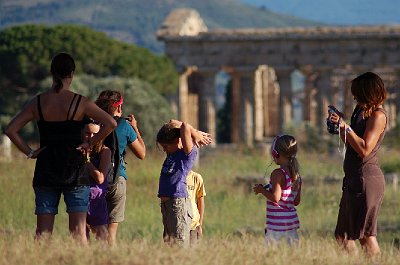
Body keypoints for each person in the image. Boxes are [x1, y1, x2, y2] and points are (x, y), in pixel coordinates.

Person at [4, 52, 116, 243]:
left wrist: (29, 152)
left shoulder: (37, 102)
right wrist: (90, 142)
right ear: (71, 74)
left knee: (43, 233)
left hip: (46, 169)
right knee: (79, 233)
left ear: (51, 73)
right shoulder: (80, 102)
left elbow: (11, 129)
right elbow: (111, 123)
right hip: (75, 170)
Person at [328, 72, 387, 256]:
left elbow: (364, 149)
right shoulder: (361, 112)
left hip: (366, 180)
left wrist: (346, 127)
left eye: (357, 94)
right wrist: (338, 127)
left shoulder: (378, 116)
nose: (354, 97)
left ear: (368, 93)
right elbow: (353, 144)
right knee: (342, 235)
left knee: (366, 235)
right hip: (353, 179)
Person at [95, 90, 146, 245]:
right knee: (111, 232)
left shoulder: (93, 124)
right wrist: (135, 128)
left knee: (96, 228)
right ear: (119, 107)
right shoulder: (124, 125)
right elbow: (142, 153)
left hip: (94, 179)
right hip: (117, 179)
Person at [157, 120, 212, 247]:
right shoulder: (173, 154)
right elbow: (172, 122)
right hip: (167, 205)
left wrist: (196, 134)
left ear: (178, 141)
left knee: (179, 244)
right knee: (169, 243)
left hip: (178, 203)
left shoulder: (187, 154)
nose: (165, 150)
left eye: (166, 146)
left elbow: (185, 126)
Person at [253, 135, 302, 246]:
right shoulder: (297, 176)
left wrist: (262, 190)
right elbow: (296, 202)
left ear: (276, 154)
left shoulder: (277, 174)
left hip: (276, 227)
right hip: (291, 226)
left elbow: (276, 198)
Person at [82, 120, 111, 241]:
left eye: (95, 134)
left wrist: (86, 160)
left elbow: (100, 178)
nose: (91, 137)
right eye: (87, 133)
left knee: (102, 235)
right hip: (79, 197)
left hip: (96, 199)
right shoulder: (78, 149)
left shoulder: (105, 151)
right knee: (82, 234)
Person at [186, 170, 206, 245]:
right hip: (177, 225)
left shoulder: (196, 177)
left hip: (193, 225)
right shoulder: (174, 177)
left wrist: (199, 225)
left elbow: (200, 201)